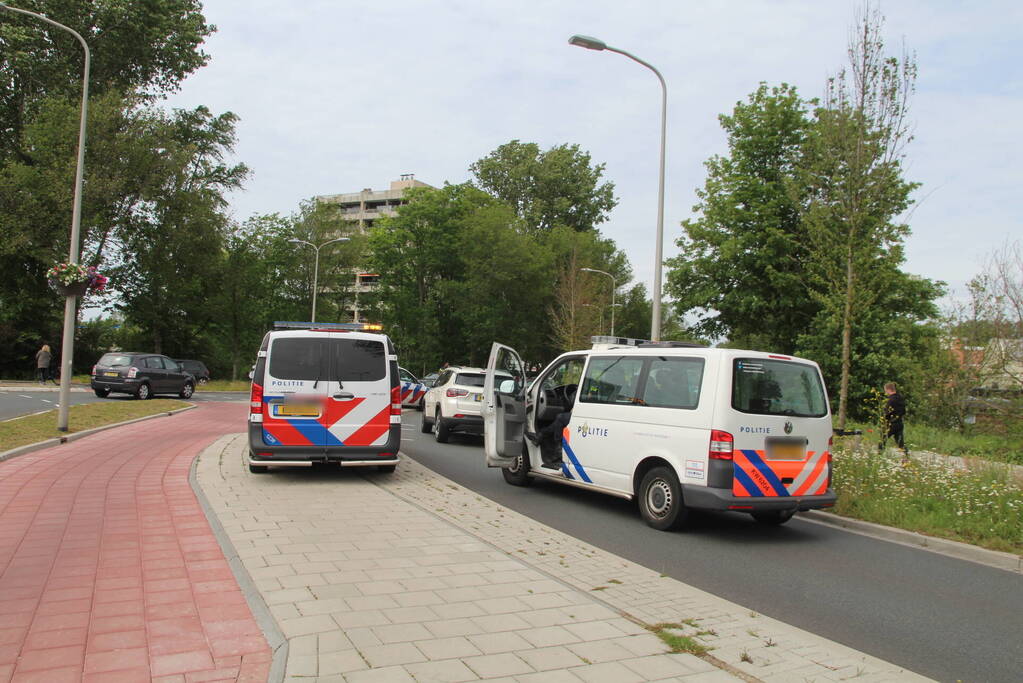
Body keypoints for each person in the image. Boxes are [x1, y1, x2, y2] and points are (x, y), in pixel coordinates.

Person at [879, 382, 909, 461]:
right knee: (900, 442)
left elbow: (887, 413)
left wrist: (883, 420)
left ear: (888, 390)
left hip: (891, 424)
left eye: (885, 390)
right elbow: (904, 411)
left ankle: (879, 455)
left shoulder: (890, 400)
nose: (885, 392)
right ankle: (906, 456)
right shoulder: (900, 398)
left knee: (882, 439)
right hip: (899, 423)